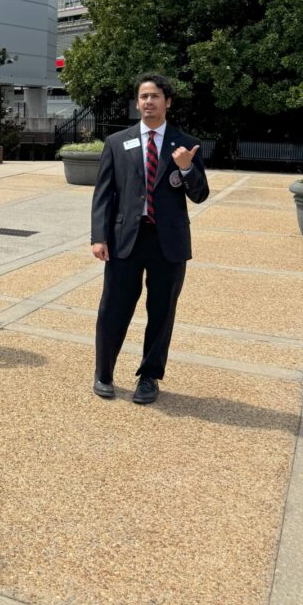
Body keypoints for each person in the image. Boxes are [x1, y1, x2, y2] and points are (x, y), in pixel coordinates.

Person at [91, 73, 209, 404]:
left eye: (155, 96)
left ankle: (149, 377)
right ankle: (104, 372)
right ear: (137, 102)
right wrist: (99, 236)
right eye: (143, 96)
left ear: (167, 102)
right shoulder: (118, 142)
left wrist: (187, 169)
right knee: (113, 308)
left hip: (167, 242)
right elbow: (104, 193)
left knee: (161, 312)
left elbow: (200, 195)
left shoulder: (185, 143)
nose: (148, 102)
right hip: (124, 239)